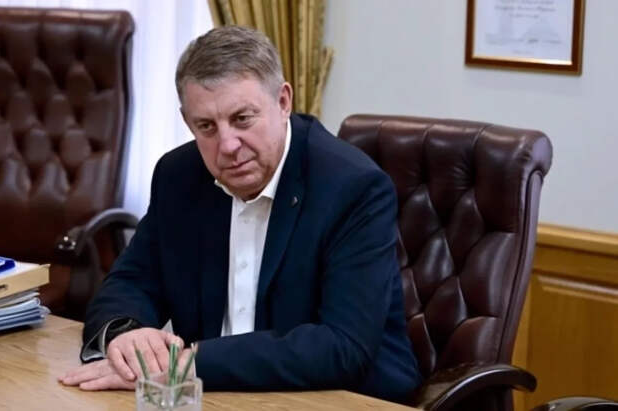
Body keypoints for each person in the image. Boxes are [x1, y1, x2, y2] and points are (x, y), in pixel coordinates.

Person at [59, 25, 421, 403]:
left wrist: (187, 363)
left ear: (283, 102)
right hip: (215, 397)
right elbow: (132, 281)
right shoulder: (179, 175)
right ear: (187, 121)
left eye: (242, 119)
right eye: (206, 127)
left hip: (342, 399)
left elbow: (343, 346)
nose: (228, 145)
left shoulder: (353, 188)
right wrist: (126, 334)